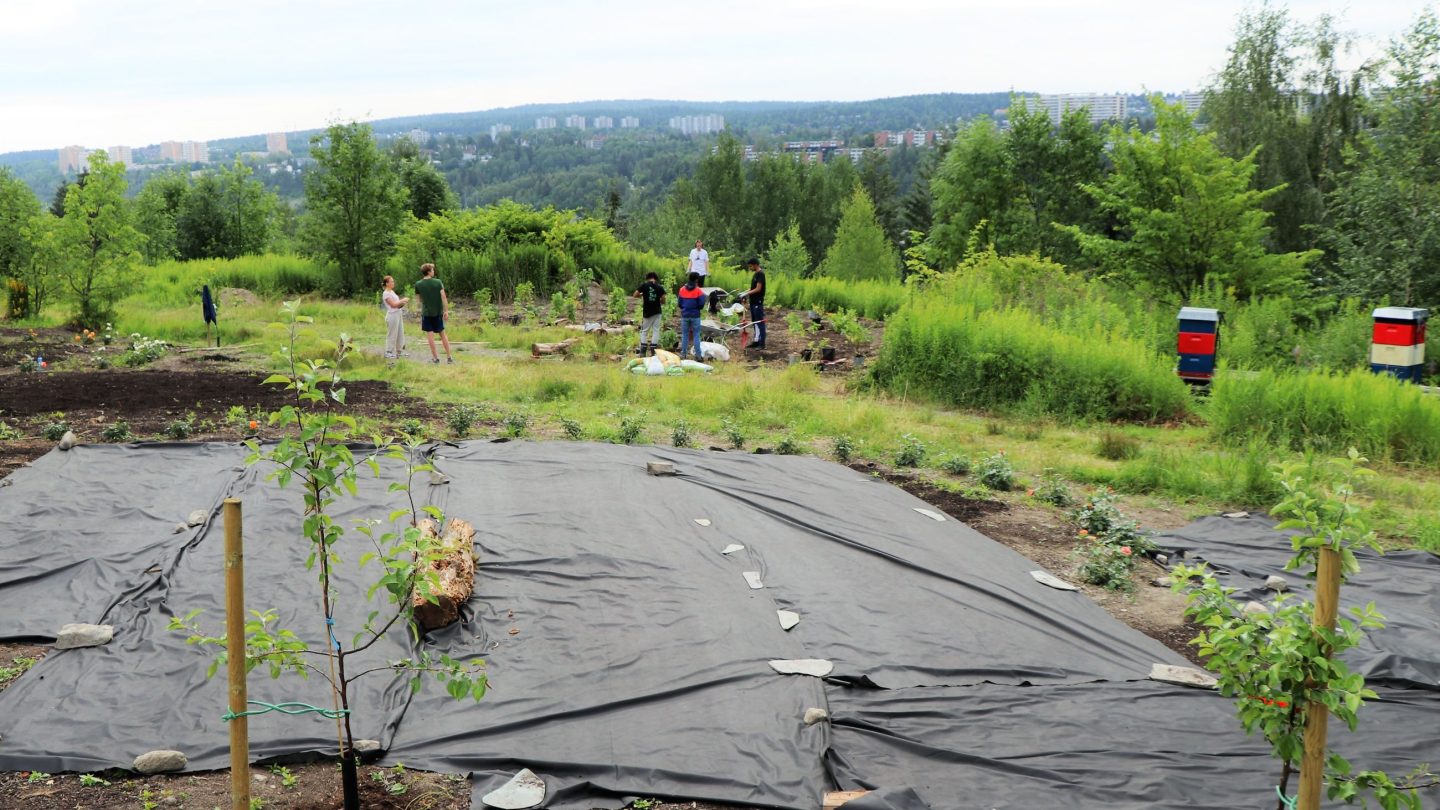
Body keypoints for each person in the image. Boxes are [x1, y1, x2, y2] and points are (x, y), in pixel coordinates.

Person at [413, 263, 454, 364]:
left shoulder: (418, 284)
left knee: (430, 335)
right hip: (438, 312)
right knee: (443, 334)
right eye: (432, 270)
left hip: (427, 313)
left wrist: (418, 311)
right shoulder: (438, 282)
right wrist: (446, 311)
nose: (433, 271)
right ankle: (449, 357)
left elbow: (418, 300)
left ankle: (435, 358)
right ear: (428, 271)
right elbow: (443, 297)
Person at [631, 271, 665, 357]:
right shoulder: (659, 287)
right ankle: (653, 351)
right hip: (657, 311)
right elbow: (663, 300)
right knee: (656, 330)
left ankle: (643, 351)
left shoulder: (644, 285)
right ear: (655, 278)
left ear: (647, 278)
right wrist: (659, 300)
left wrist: (642, 294)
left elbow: (635, 295)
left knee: (644, 331)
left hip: (647, 312)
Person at [676, 271, 707, 361]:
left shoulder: (682, 289)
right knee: (696, 335)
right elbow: (701, 304)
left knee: (685, 335)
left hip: (685, 315)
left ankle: (683, 354)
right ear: (696, 279)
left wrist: (685, 308)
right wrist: (696, 308)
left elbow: (679, 303)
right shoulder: (698, 290)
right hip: (695, 315)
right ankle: (698, 356)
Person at [738, 257, 766, 350]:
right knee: (755, 322)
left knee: (759, 322)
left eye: (751, 266)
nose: (750, 268)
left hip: (758, 301)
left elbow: (758, 289)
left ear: (755, 265)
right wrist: (744, 292)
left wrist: (746, 294)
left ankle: (762, 343)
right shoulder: (755, 274)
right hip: (753, 302)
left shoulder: (761, 274)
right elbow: (752, 288)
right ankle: (756, 340)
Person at [381, 275, 408, 362]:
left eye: (393, 281)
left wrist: (403, 303)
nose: (393, 283)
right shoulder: (386, 293)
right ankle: (388, 351)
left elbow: (398, 304)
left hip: (398, 313)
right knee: (392, 334)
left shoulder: (392, 291)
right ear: (387, 283)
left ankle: (399, 351)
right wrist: (402, 300)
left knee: (400, 333)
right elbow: (393, 305)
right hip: (392, 315)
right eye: (391, 281)